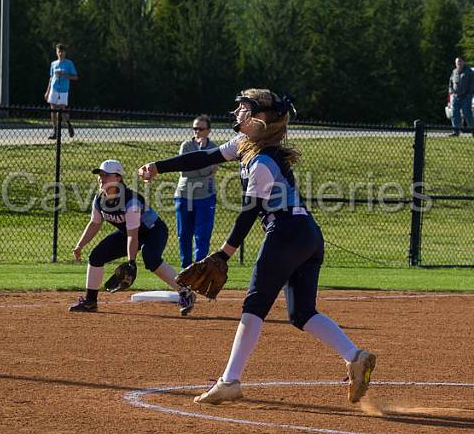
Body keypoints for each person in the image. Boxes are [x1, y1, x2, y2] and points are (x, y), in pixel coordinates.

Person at [138, 89, 377, 405]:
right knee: (302, 312)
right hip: (307, 235)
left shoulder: (262, 160)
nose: (237, 111)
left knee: (254, 305)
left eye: (244, 107)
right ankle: (355, 356)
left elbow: (250, 210)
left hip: (286, 232)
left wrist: (223, 254)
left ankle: (230, 381)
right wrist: (158, 166)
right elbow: (204, 157)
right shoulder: (246, 146)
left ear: (260, 118)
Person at [70, 159, 196, 316]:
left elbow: (133, 235)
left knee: (150, 258)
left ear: (118, 178)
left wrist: (131, 262)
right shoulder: (100, 199)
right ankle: (90, 302)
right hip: (130, 233)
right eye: (100, 175)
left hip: (153, 231)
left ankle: (185, 292)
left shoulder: (131, 201)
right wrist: (80, 245)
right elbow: (94, 223)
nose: (101, 178)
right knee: (96, 256)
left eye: (106, 175)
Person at [173, 115, 220, 268]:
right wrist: (205, 168)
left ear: (208, 131)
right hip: (184, 195)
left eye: (201, 129)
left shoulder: (214, 147)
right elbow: (184, 170)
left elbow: (214, 169)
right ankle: (185, 268)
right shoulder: (186, 146)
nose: (197, 132)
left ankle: (199, 269)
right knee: (184, 235)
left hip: (205, 197)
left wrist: (199, 163)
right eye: (195, 128)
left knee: (202, 235)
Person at [45, 43, 78, 139]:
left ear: (65, 52)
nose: (60, 53)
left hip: (63, 90)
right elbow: (51, 78)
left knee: (62, 110)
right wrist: (47, 91)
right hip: (54, 89)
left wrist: (65, 75)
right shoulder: (53, 64)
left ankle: (68, 125)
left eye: (62, 51)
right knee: (53, 109)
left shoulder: (69, 63)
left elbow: (75, 77)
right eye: (58, 51)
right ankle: (55, 131)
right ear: (56, 52)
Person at [449, 56, 474, 137]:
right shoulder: (454, 72)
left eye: (460, 62)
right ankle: (456, 131)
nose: (459, 63)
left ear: (463, 62)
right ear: (455, 63)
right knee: (454, 114)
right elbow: (450, 83)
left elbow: (473, 83)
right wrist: (451, 92)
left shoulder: (469, 72)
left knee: (467, 114)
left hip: (466, 97)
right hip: (456, 97)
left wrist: (469, 94)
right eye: (457, 62)